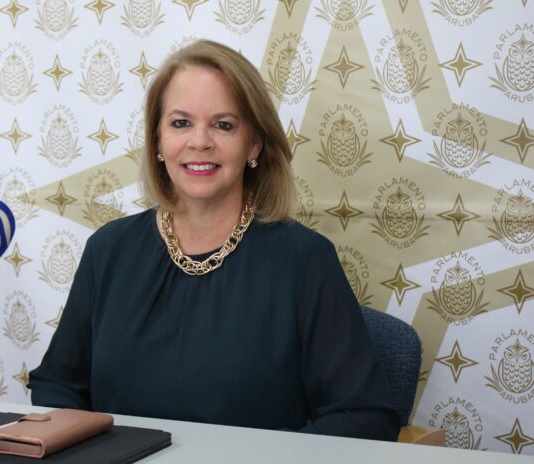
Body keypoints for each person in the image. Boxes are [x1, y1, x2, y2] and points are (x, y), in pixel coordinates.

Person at [28, 40, 400, 441]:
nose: (200, 141)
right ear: (157, 140)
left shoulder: (305, 259)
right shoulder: (108, 250)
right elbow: (58, 386)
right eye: (180, 123)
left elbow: (365, 416)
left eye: (223, 125)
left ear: (254, 143)